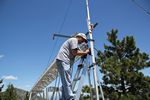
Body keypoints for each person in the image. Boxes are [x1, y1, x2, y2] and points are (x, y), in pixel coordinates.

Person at [56, 33, 90, 100]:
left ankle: (63, 98)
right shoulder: (74, 40)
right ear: (79, 37)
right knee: (67, 80)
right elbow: (75, 52)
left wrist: (82, 52)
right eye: (83, 40)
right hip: (64, 61)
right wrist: (86, 52)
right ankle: (70, 98)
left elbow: (77, 51)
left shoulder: (73, 42)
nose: (82, 42)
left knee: (65, 82)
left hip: (62, 61)